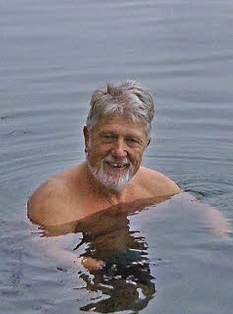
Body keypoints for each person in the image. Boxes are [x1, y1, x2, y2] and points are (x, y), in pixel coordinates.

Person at [27, 80, 180, 230]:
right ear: (88, 138)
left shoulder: (158, 187)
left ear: (145, 145)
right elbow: (48, 253)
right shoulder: (54, 201)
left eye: (131, 140)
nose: (119, 152)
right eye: (108, 137)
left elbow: (199, 213)